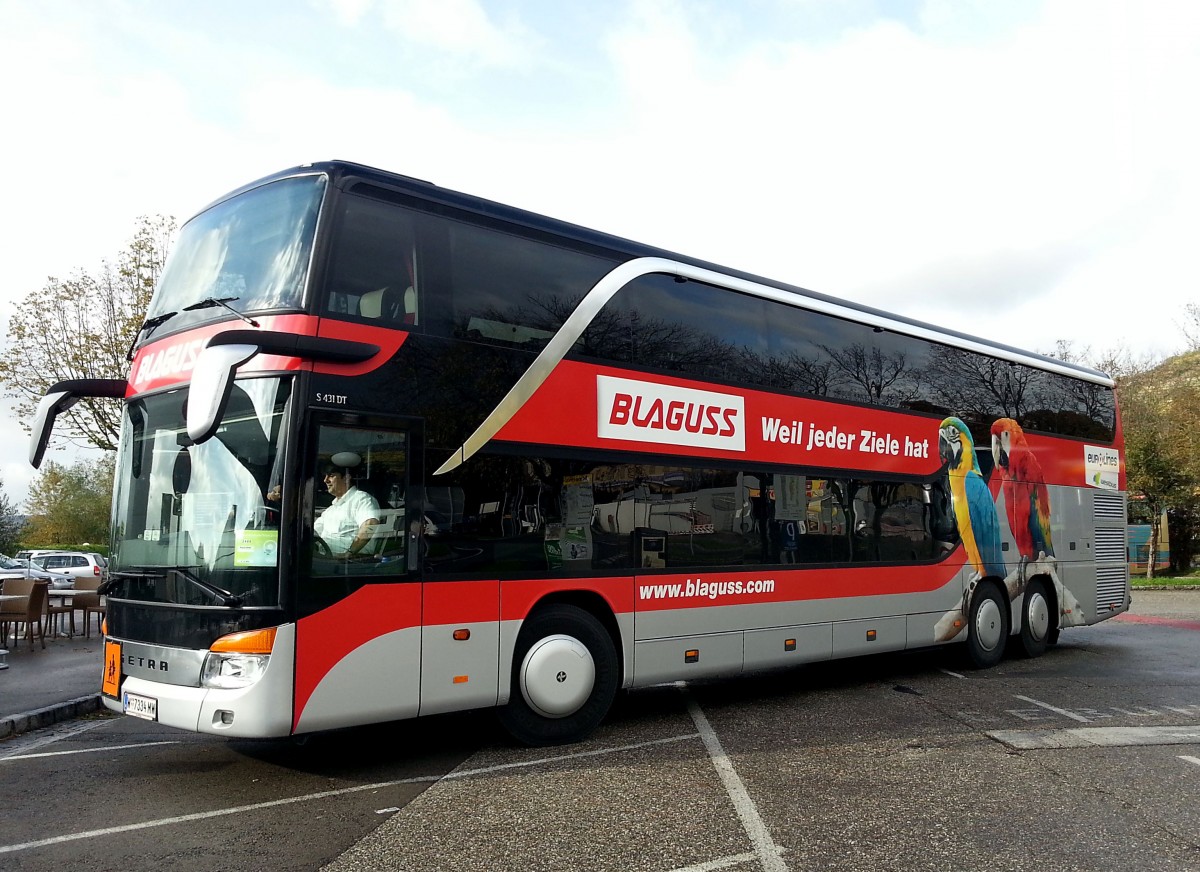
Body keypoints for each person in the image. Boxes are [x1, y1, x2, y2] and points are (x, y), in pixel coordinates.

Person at [314, 456, 381, 556]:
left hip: (351, 564)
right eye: (325, 476)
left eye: (331, 476)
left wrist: (350, 552)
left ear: (346, 478)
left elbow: (370, 523)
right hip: (324, 560)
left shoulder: (362, 499)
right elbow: (312, 533)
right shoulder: (329, 511)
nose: (325, 480)